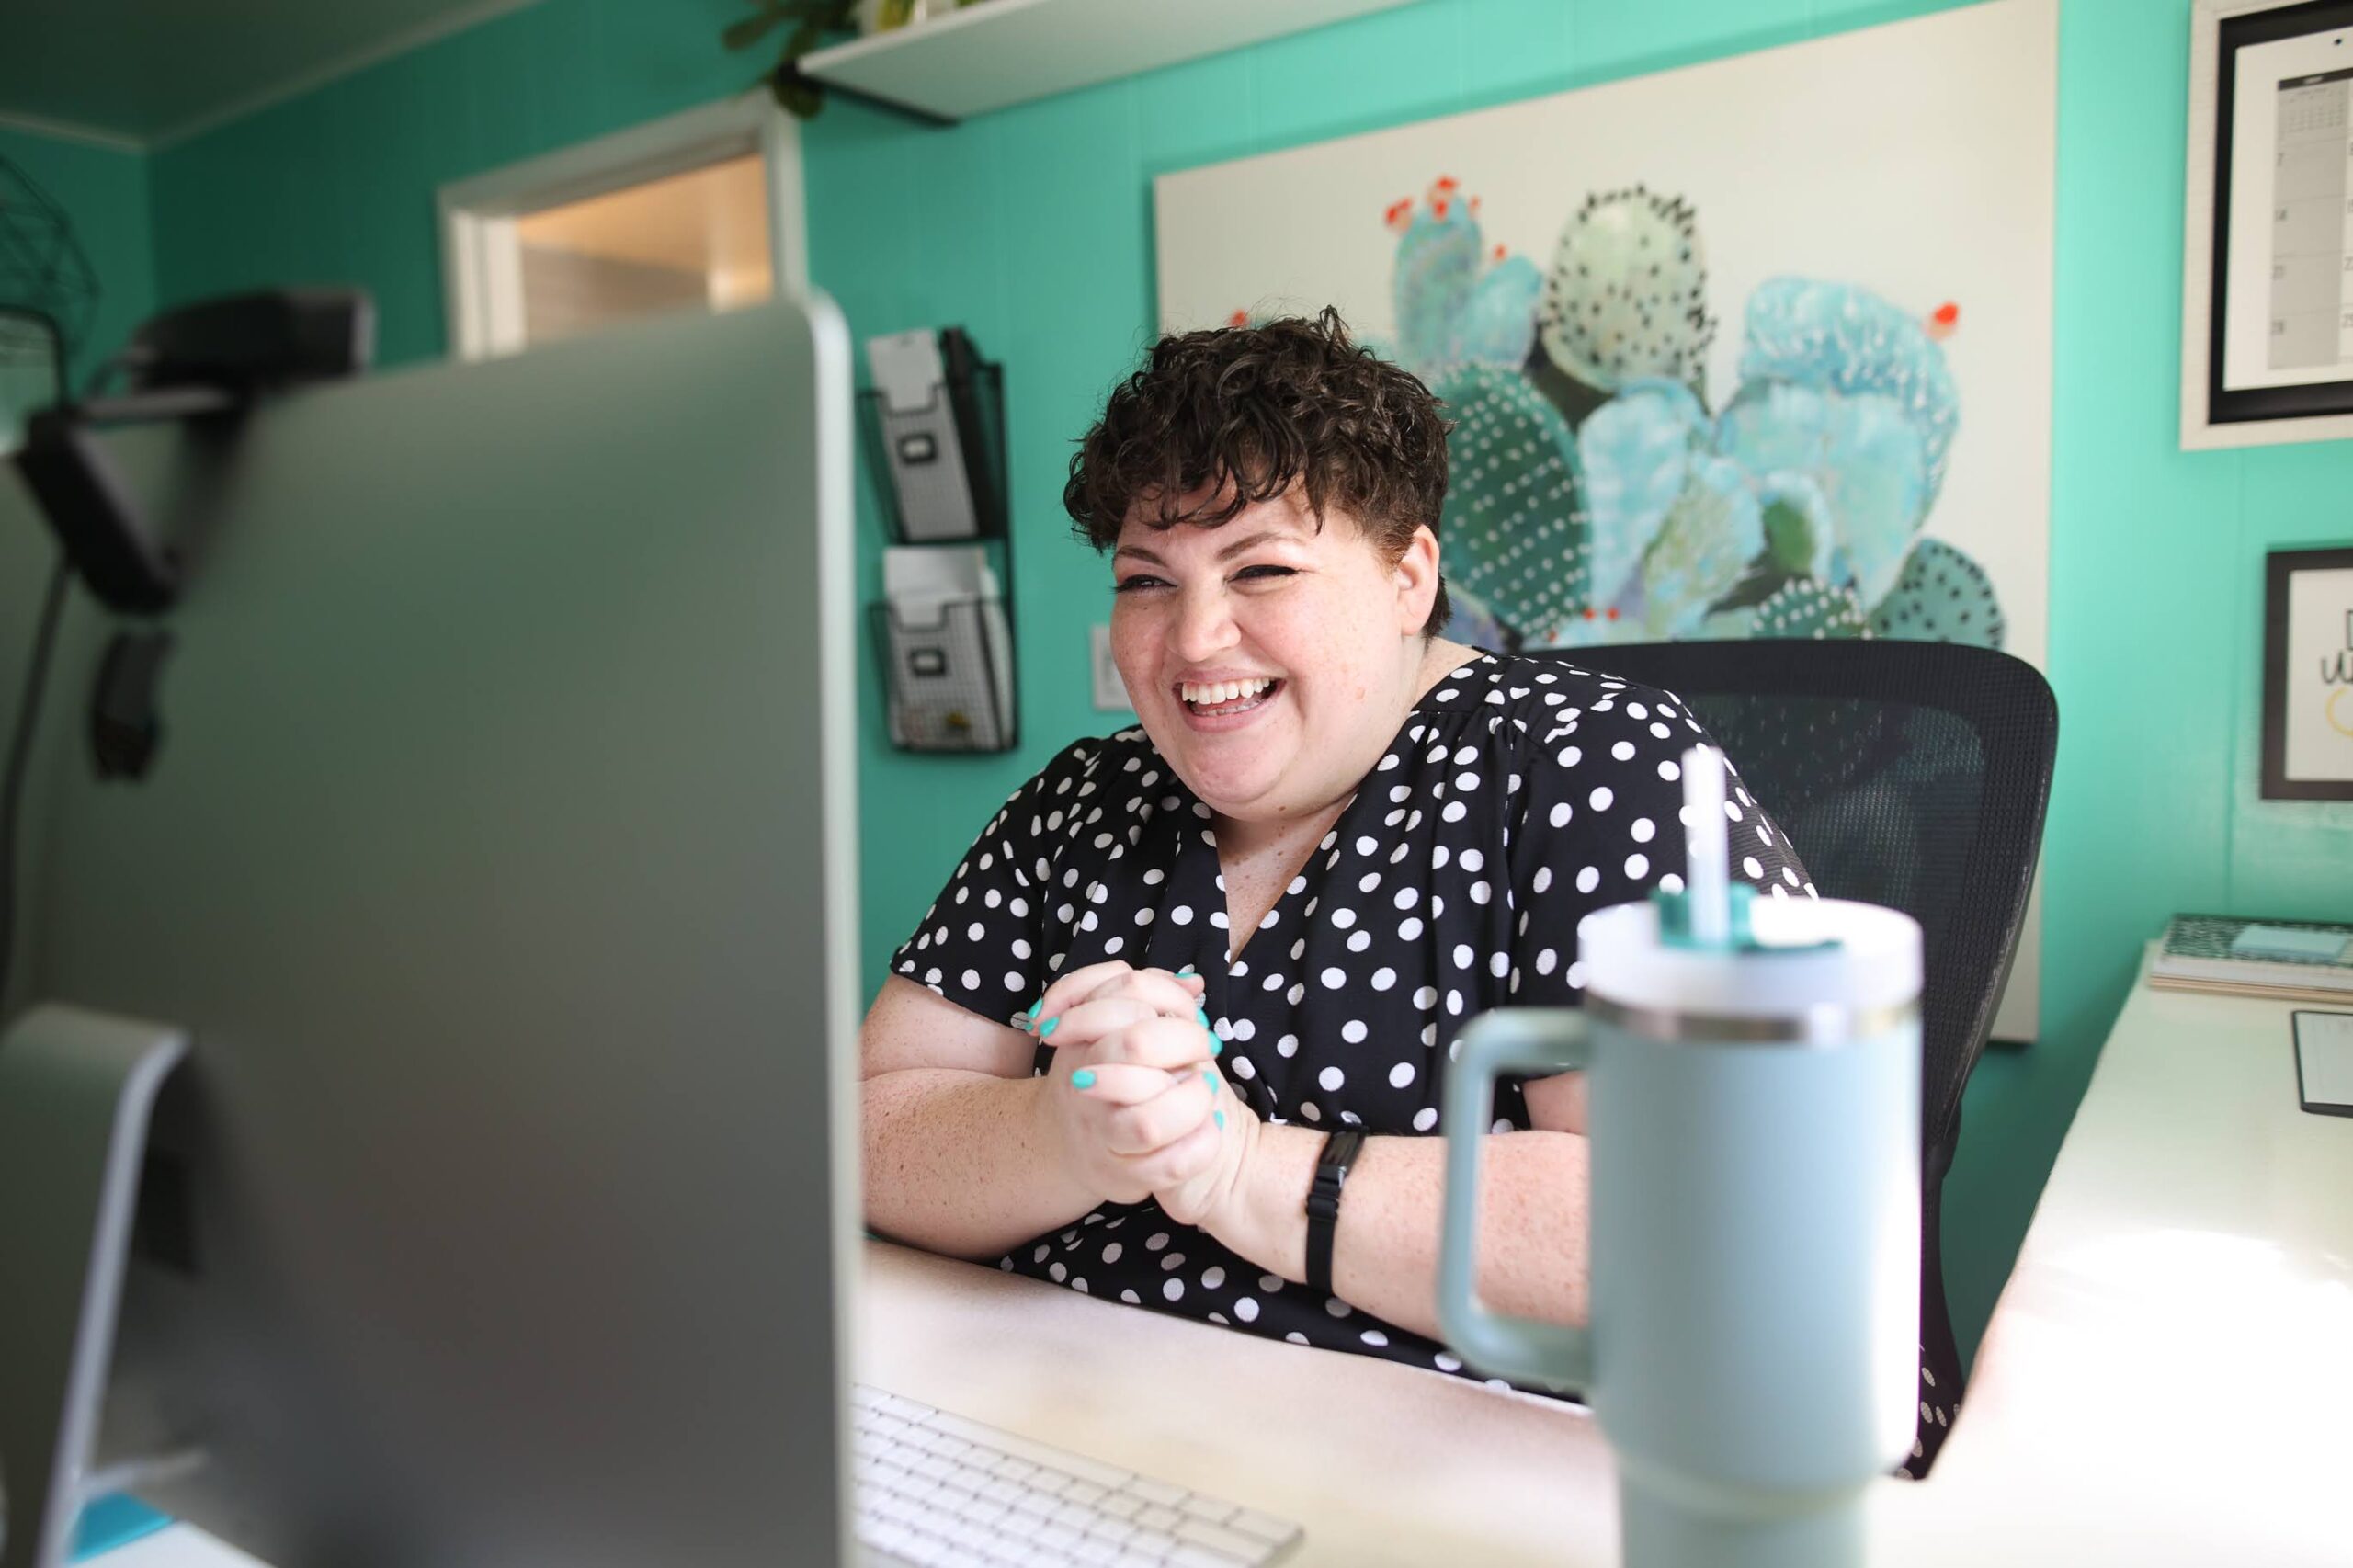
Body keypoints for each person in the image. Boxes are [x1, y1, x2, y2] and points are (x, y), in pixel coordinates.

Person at [859, 310, 1813, 1388]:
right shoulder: (1084, 800)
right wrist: (1055, 1136)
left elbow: (1708, 1233)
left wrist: (1242, 1167)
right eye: (1146, 580)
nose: (1194, 638)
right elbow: (869, 1125)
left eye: (1260, 568)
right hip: (1062, 1412)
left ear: (1408, 576)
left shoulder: (1594, 770)